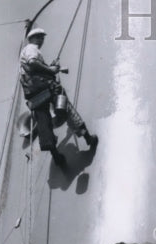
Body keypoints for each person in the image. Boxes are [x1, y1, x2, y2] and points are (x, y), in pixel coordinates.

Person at [19, 26, 97, 169]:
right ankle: (88, 138)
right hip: (46, 88)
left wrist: (50, 67)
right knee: (66, 107)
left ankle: (56, 156)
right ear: (33, 39)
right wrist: (50, 70)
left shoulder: (24, 54)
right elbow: (32, 62)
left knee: (43, 123)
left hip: (34, 95)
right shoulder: (31, 49)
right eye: (40, 37)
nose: (42, 40)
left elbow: (33, 70)